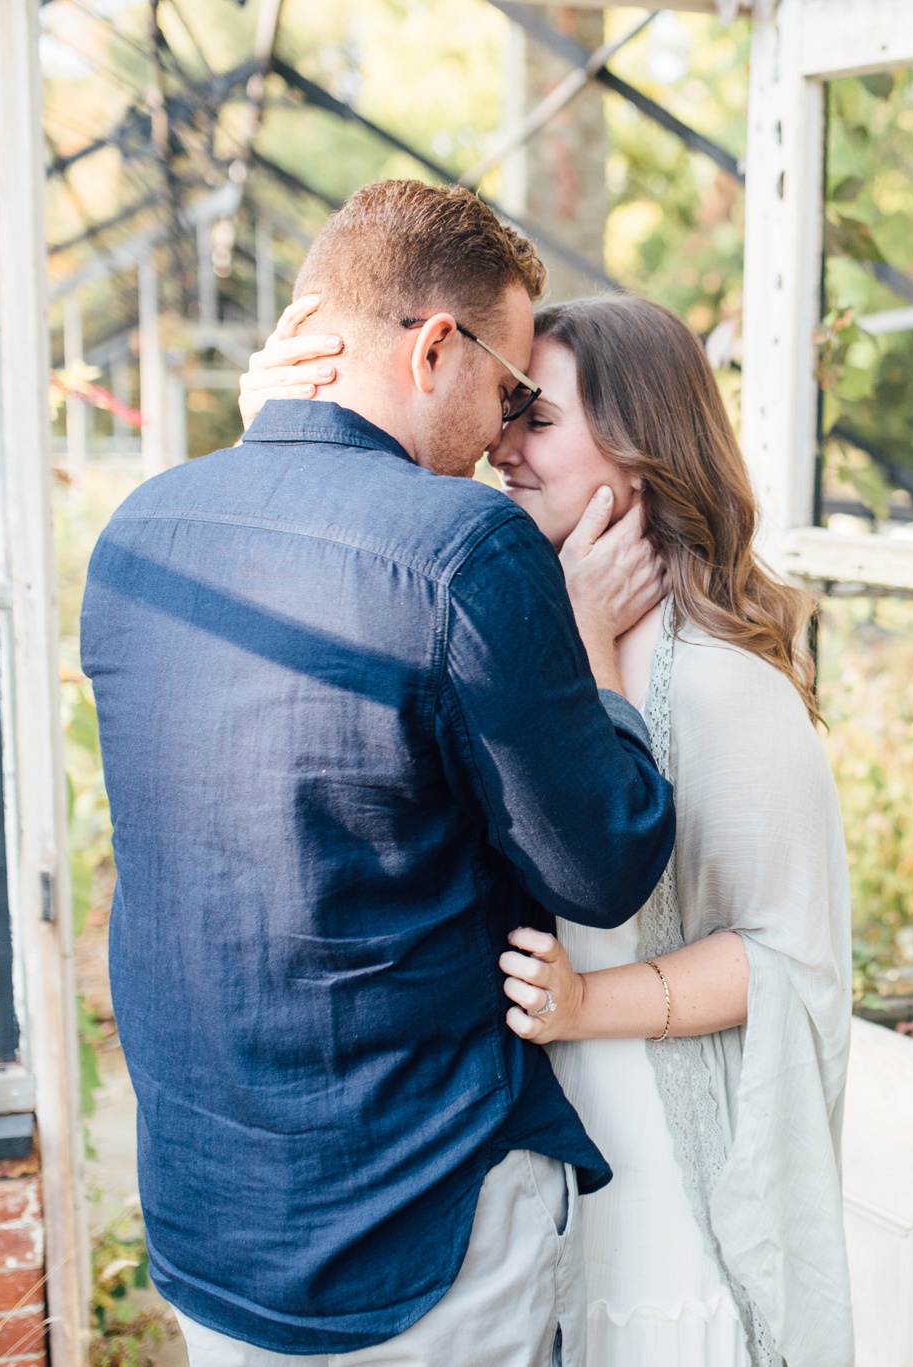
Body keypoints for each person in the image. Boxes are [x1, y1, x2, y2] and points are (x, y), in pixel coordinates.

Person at [81, 180, 677, 1367]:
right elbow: (604, 858)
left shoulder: (143, 529)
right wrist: (597, 656)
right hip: (412, 1215)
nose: (506, 432)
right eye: (510, 390)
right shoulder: (465, 546)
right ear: (435, 346)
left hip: (212, 1212)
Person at [240, 292, 856, 1366]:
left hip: (658, 1162)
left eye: (538, 418)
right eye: (506, 412)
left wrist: (584, 1005)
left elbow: (788, 957)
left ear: (639, 449)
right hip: (518, 1172)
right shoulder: (499, 631)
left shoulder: (722, 688)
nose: (502, 448)